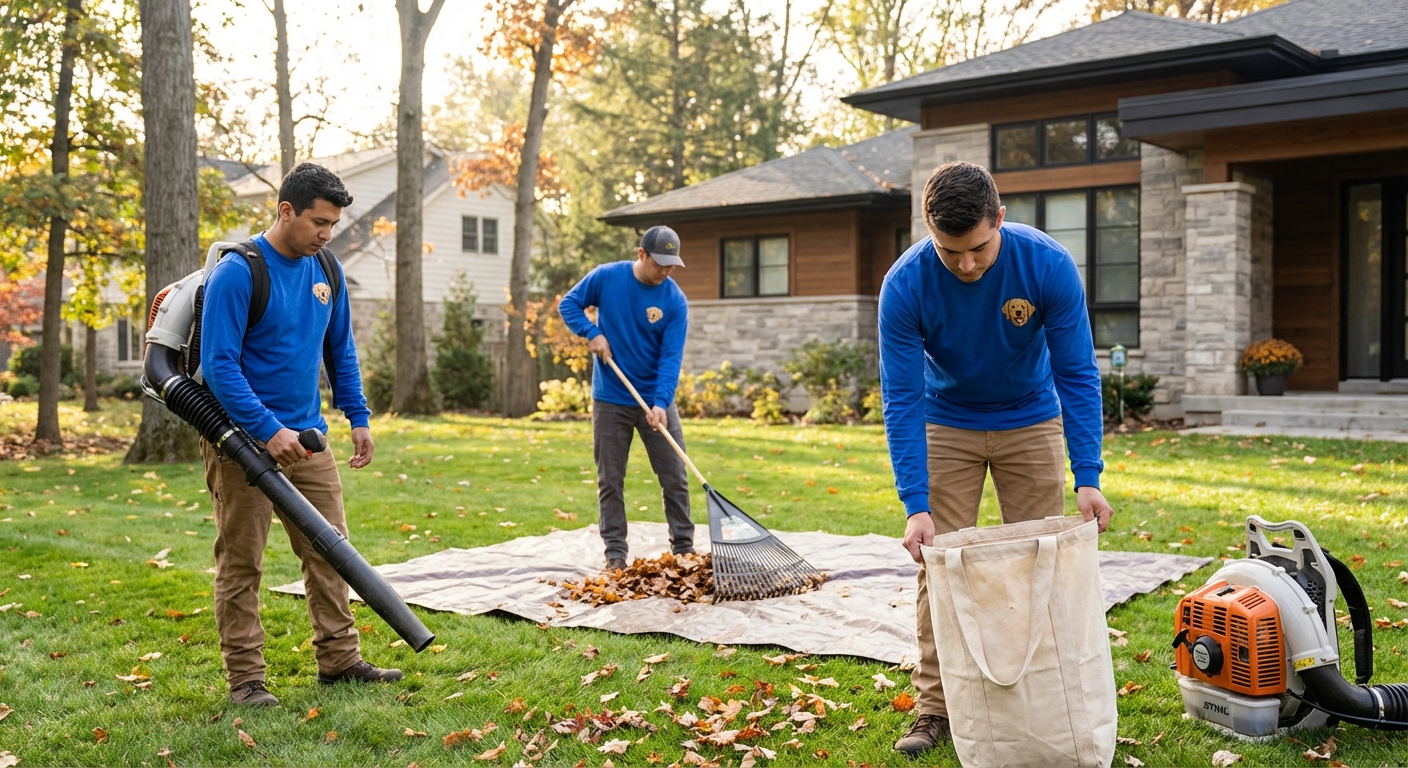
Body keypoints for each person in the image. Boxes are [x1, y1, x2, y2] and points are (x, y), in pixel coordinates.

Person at [878, 161, 1115, 756]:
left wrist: (1087, 475)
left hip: (1031, 418)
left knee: (1042, 563)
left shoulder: (1047, 265)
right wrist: (916, 503)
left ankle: (1047, 694)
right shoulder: (905, 285)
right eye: (949, 251)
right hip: (946, 421)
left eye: (979, 248)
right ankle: (935, 707)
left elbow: (1078, 374)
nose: (966, 264)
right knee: (940, 568)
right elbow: (902, 396)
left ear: (1001, 219)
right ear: (929, 231)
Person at [201, 163, 401, 707]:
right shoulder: (239, 272)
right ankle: (246, 680)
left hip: (309, 441)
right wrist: (267, 430)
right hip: (241, 443)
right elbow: (219, 367)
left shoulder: (326, 269)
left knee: (330, 552)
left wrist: (357, 416)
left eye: (333, 223)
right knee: (242, 563)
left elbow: (341, 349)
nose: (326, 233)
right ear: (285, 210)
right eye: (318, 221)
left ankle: (339, 661)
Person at [559, 226, 692, 571]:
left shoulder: (674, 300)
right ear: (641, 254)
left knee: (675, 475)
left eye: (672, 264)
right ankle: (615, 554)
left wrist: (661, 402)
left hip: (655, 399)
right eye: (660, 263)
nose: (666, 271)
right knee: (611, 479)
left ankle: (684, 549)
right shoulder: (607, 278)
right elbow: (569, 304)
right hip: (611, 398)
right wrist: (592, 332)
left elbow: (670, 358)